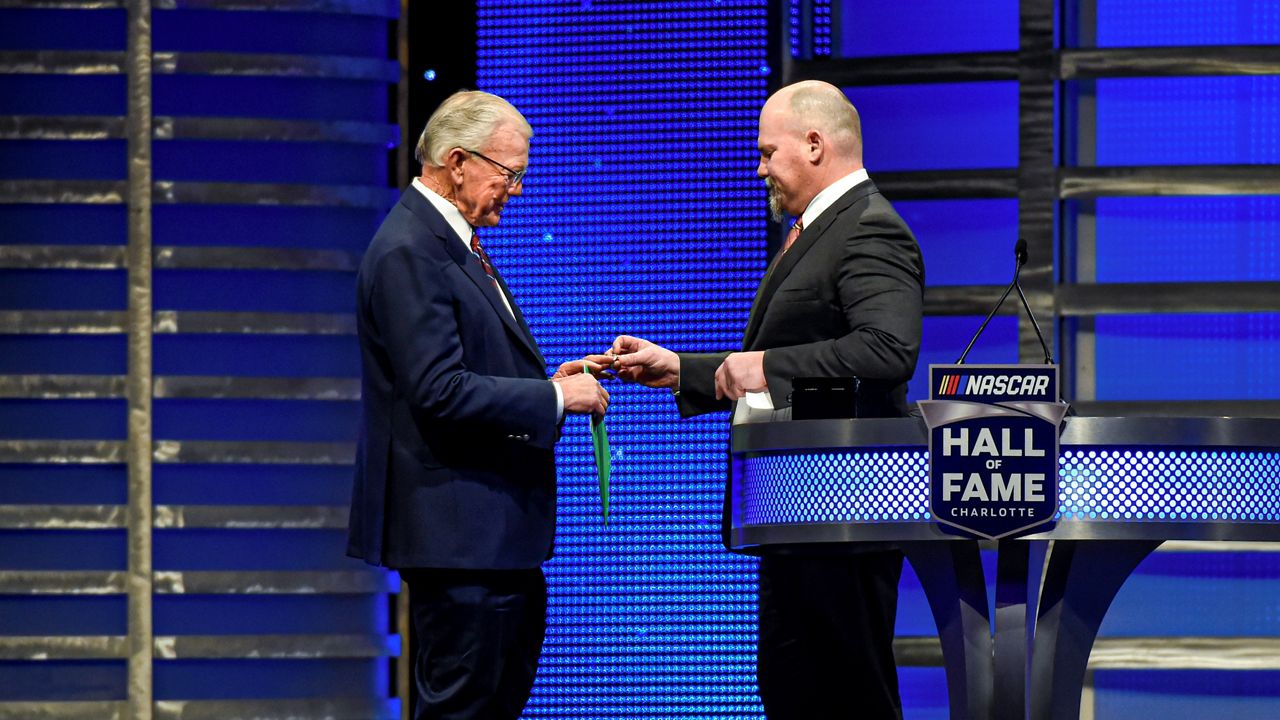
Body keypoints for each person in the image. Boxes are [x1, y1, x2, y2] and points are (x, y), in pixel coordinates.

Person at [606, 80, 924, 718]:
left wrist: (759, 368)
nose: (760, 170)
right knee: (795, 692)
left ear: (813, 145)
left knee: (847, 696)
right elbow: (791, 358)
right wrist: (683, 370)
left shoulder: (868, 228)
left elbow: (887, 351)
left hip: (846, 511)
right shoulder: (822, 229)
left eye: (767, 152)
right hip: (800, 512)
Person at [347, 90, 610, 720]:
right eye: (509, 172)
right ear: (457, 161)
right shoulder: (412, 248)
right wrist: (553, 396)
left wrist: (550, 378)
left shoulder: (447, 241)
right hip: (458, 537)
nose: (516, 190)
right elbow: (438, 389)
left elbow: (469, 368)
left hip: (489, 538)